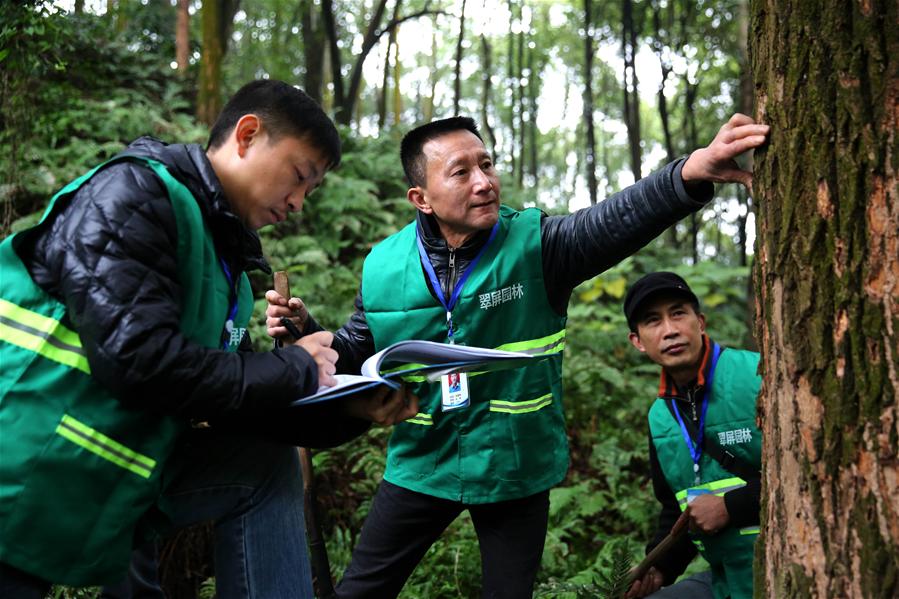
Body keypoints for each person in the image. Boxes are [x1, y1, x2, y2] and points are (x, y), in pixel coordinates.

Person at [266, 113, 769, 598]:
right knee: (362, 591)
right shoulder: (383, 265)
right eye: (460, 172)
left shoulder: (537, 245)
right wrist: (306, 331)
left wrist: (691, 174)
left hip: (515, 466)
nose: (483, 182)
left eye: (486, 165)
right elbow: (358, 347)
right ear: (420, 198)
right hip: (422, 462)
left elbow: (615, 220)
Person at [0, 79, 416, 599]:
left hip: (121, 470)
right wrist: (298, 368)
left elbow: (236, 403)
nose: (299, 202)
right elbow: (138, 362)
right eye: (299, 176)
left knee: (264, 466)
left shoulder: (230, 273)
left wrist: (352, 411)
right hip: (23, 459)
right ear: (247, 135)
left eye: (311, 191)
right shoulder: (133, 196)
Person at [622, 272, 761, 599]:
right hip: (725, 580)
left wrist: (731, 506)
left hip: (782, 566)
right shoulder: (660, 418)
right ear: (638, 342)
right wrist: (658, 568)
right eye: (653, 321)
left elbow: (813, 476)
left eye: (678, 313)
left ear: (700, 322)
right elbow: (677, 508)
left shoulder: (758, 376)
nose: (670, 330)